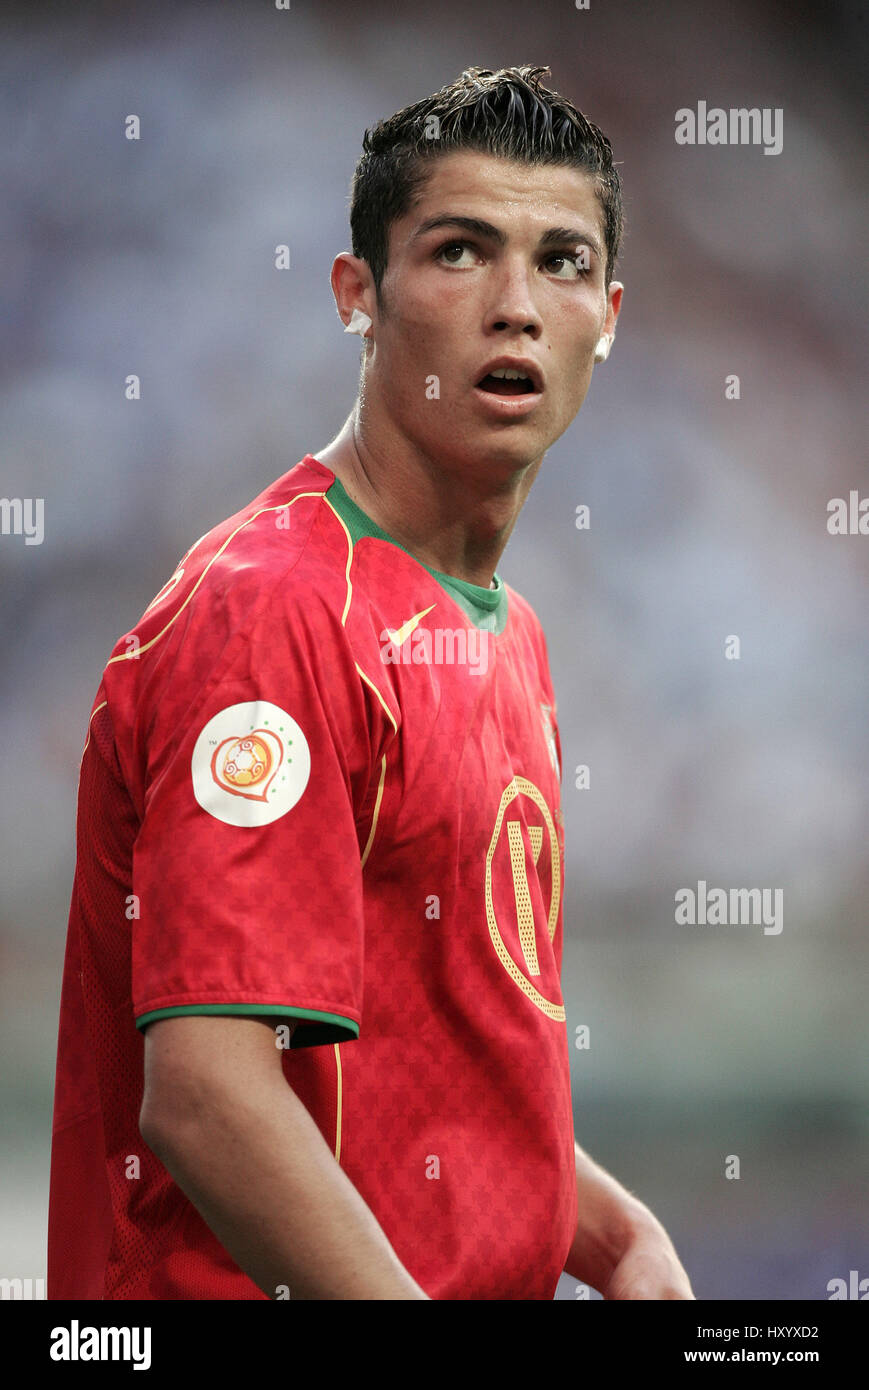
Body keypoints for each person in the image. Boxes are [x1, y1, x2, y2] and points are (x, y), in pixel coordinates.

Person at [48, 64, 694, 1301]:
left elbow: (422, 1067)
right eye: (459, 251)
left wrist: (614, 1237)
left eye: (559, 261)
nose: (515, 305)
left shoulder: (504, 631)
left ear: (607, 315)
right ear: (358, 295)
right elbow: (211, 1094)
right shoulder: (276, 610)